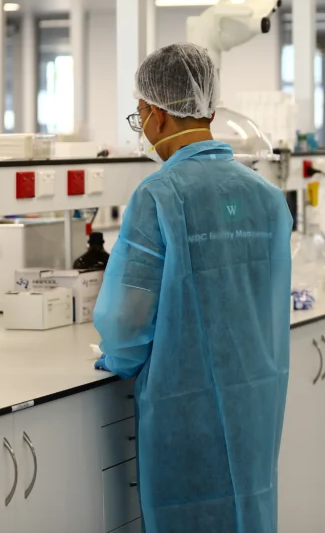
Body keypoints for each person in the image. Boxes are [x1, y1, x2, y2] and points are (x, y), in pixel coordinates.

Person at [93, 43, 293, 533]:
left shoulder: (159, 194)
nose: (141, 129)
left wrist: (116, 360)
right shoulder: (266, 196)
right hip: (256, 397)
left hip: (184, 400)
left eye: (139, 116)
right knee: (249, 507)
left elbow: (127, 317)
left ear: (158, 114)